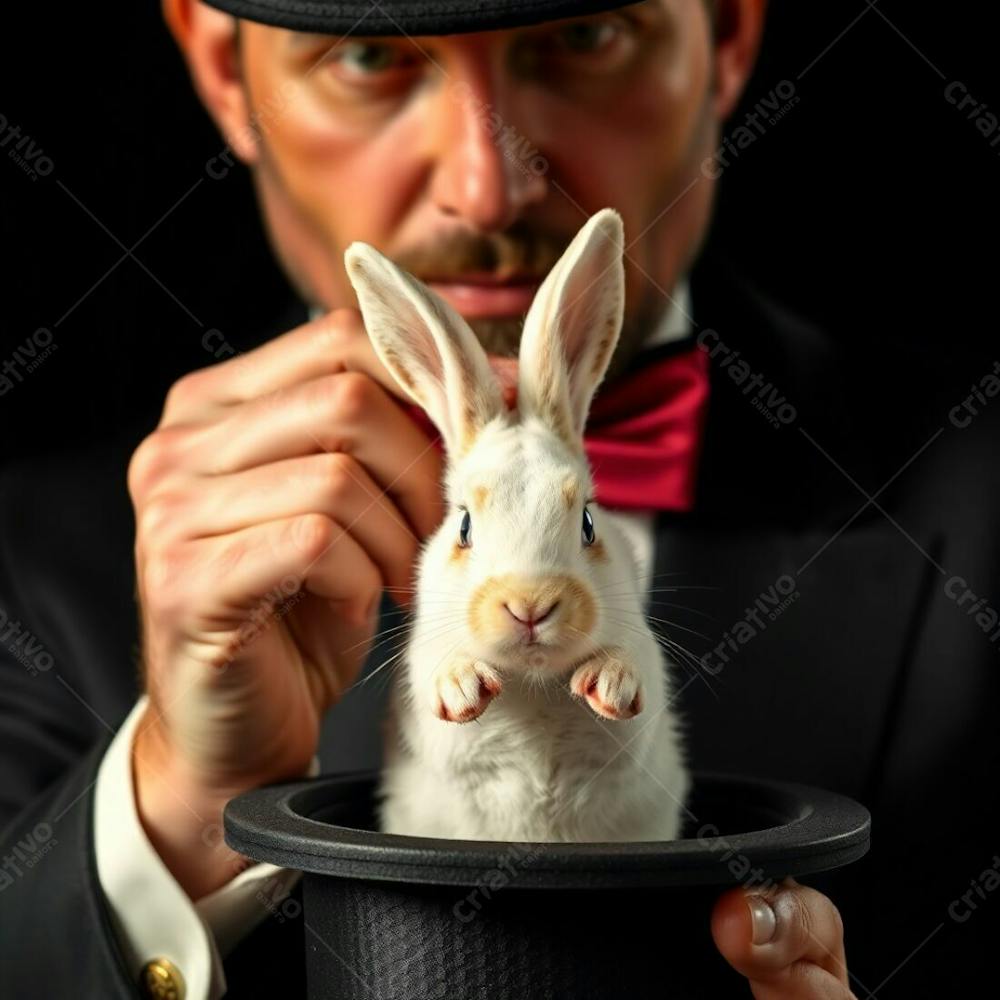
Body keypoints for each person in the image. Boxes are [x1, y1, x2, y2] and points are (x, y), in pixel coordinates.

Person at [2, 1, 996, 997]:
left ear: (730, 34)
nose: (489, 188)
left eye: (584, 36)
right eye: (368, 56)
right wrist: (182, 801)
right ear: (225, 69)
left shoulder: (978, 478)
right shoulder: (34, 554)